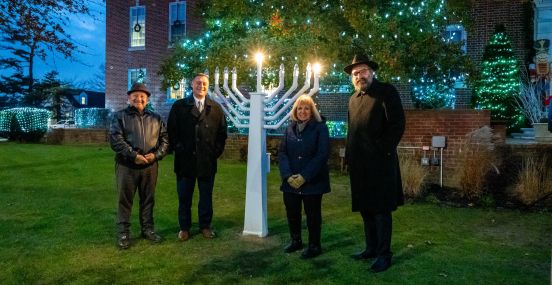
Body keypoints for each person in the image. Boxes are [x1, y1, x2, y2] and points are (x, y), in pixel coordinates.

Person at [344, 54, 406, 272]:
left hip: (380, 164)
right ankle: (370, 248)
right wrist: (348, 157)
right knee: (365, 210)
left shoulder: (386, 92)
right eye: (355, 73)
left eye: (363, 71)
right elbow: (352, 131)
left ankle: (384, 254)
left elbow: (397, 125)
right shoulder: (353, 99)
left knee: (380, 211)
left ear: (372, 72)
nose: (359, 76)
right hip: (359, 166)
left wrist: (381, 150)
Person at [167, 73, 228, 241]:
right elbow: (172, 132)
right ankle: (184, 228)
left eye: (204, 84)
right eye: (198, 83)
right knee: (184, 197)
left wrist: (214, 153)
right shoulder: (179, 106)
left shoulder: (215, 108)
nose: (201, 86)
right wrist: (180, 149)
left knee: (206, 197)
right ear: (191, 85)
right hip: (185, 162)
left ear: (208, 87)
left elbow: (222, 134)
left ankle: (205, 226)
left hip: (206, 162)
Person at [109, 82, 169, 249]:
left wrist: (155, 155)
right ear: (129, 98)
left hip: (150, 166)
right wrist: (133, 155)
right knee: (125, 200)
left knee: (148, 199)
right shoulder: (119, 116)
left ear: (147, 99)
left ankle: (148, 229)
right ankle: (123, 233)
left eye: (142, 96)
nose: (139, 98)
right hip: (127, 166)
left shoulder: (156, 118)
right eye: (135, 95)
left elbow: (165, 140)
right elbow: (115, 139)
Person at [279, 95, 331, 259]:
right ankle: (296, 241)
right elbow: (282, 153)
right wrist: (288, 176)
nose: (303, 111)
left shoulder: (320, 128)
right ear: (295, 110)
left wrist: (304, 176)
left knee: (313, 215)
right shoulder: (289, 128)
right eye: (299, 108)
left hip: (312, 181)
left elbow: (322, 154)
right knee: (292, 213)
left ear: (312, 111)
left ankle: (315, 246)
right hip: (291, 182)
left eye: (306, 108)